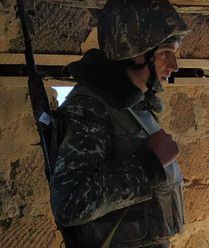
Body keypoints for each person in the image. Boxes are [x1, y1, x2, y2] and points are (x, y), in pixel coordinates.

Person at [48, 0, 190, 247]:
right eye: (164, 54)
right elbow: (70, 203)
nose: (174, 66)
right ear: (134, 53)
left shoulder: (131, 103)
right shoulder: (90, 107)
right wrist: (149, 165)